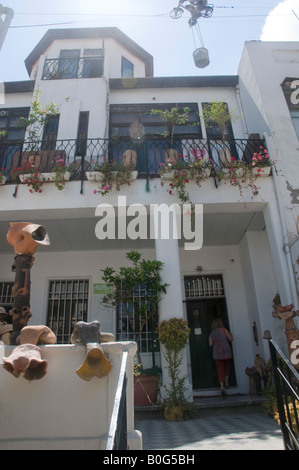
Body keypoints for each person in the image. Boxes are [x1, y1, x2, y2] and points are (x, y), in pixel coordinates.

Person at [209, 318, 233, 397]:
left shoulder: (212, 333)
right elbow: (230, 339)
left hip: (217, 352)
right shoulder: (224, 330)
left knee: (220, 369)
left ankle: (222, 386)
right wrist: (231, 335)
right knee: (227, 366)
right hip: (226, 350)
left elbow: (210, 344)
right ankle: (226, 381)